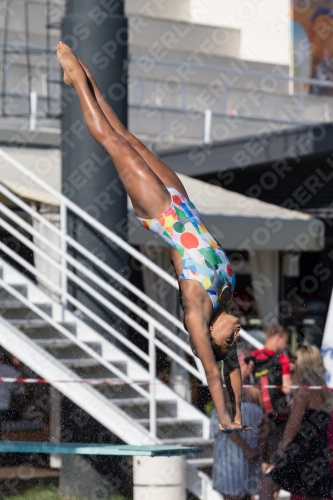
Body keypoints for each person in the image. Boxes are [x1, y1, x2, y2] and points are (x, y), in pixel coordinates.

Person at [56, 42, 246, 433]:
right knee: (129, 138)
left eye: (232, 337)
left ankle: (77, 82)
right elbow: (232, 371)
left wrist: (226, 420)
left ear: (214, 337)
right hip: (182, 202)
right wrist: (240, 410)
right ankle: (89, 78)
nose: (240, 331)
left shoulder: (199, 308)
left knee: (115, 144)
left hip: (161, 214)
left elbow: (213, 372)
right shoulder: (226, 298)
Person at [270, 344, 333, 498]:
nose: (293, 364)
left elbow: (293, 425)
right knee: (312, 495)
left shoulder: (304, 389)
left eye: (296, 360)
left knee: (266, 484)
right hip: (319, 451)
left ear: (303, 363)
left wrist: (282, 446)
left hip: (302, 450)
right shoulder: (324, 390)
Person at [210, 345, 266, 499]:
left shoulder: (255, 389)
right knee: (231, 495)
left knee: (250, 495)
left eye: (253, 360)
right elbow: (225, 423)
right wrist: (247, 450)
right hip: (231, 453)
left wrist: (258, 449)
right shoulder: (222, 388)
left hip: (253, 454)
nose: (252, 364)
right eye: (247, 360)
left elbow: (265, 424)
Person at [252, 325, 292, 500]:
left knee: (260, 460)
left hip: (255, 415)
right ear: (278, 338)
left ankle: (257, 494)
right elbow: (286, 388)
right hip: (277, 417)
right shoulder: (281, 358)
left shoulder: (253, 357)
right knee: (276, 461)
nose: (285, 345)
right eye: (285, 341)